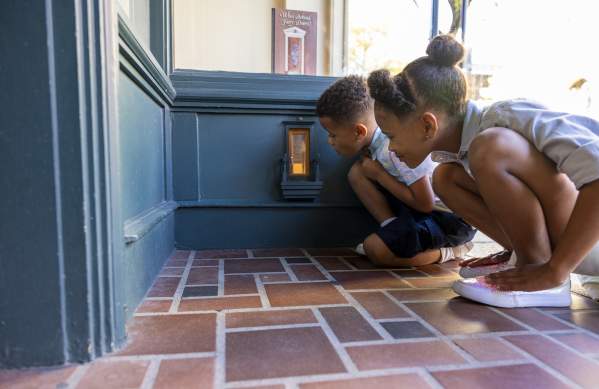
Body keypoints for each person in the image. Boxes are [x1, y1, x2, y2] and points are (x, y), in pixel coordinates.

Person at [367, 34, 599, 307]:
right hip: (573, 248)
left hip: (587, 242)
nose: (391, 149)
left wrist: (555, 270)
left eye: (392, 136)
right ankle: (522, 256)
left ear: (428, 126)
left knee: (490, 147)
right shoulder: (457, 155)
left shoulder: (507, 117)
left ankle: (541, 271)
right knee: (446, 177)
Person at [316, 75, 475, 267]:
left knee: (376, 250)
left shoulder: (393, 149)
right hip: (421, 211)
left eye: (333, 135)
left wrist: (379, 175)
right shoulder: (377, 147)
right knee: (357, 173)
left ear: (359, 132)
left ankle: (453, 250)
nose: (329, 141)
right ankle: (393, 229)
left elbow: (425, 203)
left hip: (450, 220)